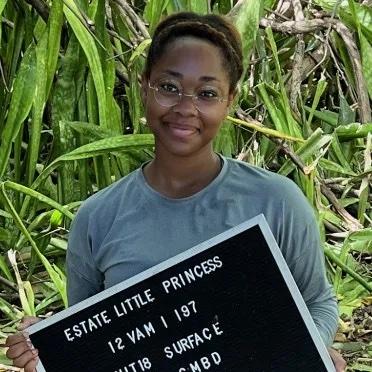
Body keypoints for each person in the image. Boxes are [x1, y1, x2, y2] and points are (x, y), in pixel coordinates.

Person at [5, 12, 346, 372]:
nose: (185, 108)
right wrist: (45, 349)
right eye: (169, 87)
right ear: (144, 87)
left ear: (229, 102)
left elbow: (319, 302)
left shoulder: (278, 202)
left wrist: (307, 350)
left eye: (207, 93)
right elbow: (95, 342)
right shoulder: (97, 218)